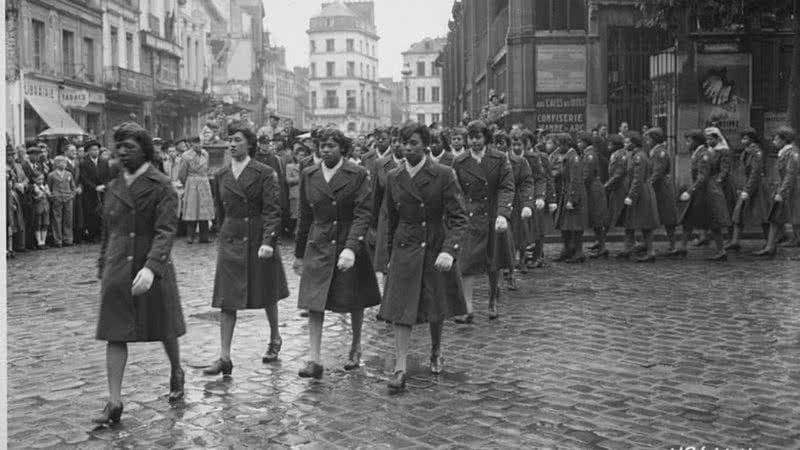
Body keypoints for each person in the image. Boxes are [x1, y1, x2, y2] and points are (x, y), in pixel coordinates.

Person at [93, 122, 186, 425]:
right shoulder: (113, 186)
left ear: (144, 150)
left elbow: (166, 230)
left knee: (164, 327)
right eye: (118, 146)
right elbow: (109, 230)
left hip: (151, 267)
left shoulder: (161, 185)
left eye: (129, 146)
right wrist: (103, 263)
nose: (121, 152)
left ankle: (176, 369)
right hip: (118, 268)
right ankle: (114, 401)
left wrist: (152, 267)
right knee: (114, 332)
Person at [379, 123, 469, 392]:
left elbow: (458, 217)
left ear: (426, 145)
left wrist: (449, 250)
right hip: (405, 247)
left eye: (414, 143)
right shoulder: (394, 177)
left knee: (435, 304)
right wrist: (388, 256)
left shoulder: (443, 174)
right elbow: (390, 219)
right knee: (400, 309)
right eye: (404, 143)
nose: (408, 148)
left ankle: (436, 348)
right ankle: (400, 367)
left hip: (433, 245)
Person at [203, 122, 290, 376]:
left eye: (237, 139)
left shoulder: (263, 172)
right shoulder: (221, 175)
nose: (232, 143)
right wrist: (223, 234)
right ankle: (224, 356)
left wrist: (268, 241)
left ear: (249, 144)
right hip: (231, 239)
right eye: (230, 139)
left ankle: (275, 338)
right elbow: (220, 211)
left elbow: (273, 209)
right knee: (226, 299)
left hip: (257, 238)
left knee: (266, 291)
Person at [293, 128, 381, 379]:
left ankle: (355, 346)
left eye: (331, 145)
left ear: (342, 148)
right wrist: (299, 253)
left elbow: (364, 213)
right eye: (322, 146)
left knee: (354, 298)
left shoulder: (358, 174)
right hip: (319, 243)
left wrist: (351, 248)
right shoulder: (309, 174)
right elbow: (305, 215)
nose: (326, 150)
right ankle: (314, 358)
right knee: (314, 301)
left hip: (348, 241)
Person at [451, 120, 514, 322]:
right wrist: (458, 214)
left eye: (478, 137)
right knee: (466, 262)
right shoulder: (460, 162)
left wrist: (503, 213)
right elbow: (456, 191)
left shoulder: (499, 158)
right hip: (470, 218)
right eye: (471, 137)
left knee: (493, 262)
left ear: (485, 138)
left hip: (493, 216)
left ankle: (492, 300)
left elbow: (506, 187)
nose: (474, 142)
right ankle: (467, 308)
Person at [677, 129, 731, 260]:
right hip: (700, 191)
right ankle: (682, 247)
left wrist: (690, 191)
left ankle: (721, 250)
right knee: (688, 219)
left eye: (689, 141)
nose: (687, 143)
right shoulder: (698, 153)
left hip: (707, 192)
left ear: (696, 141)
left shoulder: (704, 155)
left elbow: (703, 177)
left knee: (713, 222)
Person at [494, 130, 531, 289]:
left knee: (512, 239)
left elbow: (527, 182)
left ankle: (510, 273)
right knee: (497, 240)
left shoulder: (520, 162)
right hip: (495, 204)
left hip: (514, 204)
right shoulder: (491, 161)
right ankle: (496, 275)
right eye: (496, 143)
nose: (499, 146)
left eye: (502, 143)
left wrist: (527, 204)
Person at [755, 126, 800, 257]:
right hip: (786, 190)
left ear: (784, 140)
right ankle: (770, 246)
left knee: (795, 219)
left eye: (776, 138)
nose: (774, 141)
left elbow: (790, 175)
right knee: (776, 218)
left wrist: (781, 191)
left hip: (793, 190)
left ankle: (772, 246)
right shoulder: (784, 153)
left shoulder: (792, 154)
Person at [617, 132, 661, 262]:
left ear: (634, 143)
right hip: (638, 192)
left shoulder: (639, 157)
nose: (625, 145)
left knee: (645, 223)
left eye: (627, 142)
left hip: (641, 193)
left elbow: (638, 178)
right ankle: (628, 248)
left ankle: (650, 251)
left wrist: (631, 195)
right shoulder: (635, 155)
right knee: (630, 221)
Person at [727, 127, 770, 251]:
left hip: (757, 187)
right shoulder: (746, 152)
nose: (742, 140)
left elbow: (755, 172)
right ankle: (735, 241)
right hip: (747, 185)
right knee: (738, 212)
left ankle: (769, 242)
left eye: (745, 138)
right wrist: (741, 187)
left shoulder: (757, 152)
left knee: (763, 214)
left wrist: (747, 190)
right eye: (742, 138)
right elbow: (742, 171)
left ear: (752, 139)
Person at [644, 128, 680, 255]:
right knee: (651, 215)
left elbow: (658, 172)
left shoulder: (660, 152)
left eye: (648, 138)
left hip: (662, 188)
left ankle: (673, 245)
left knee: (668, 217)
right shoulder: (654, 151)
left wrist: (648, 185)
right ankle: (646, 244)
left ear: (654, 139)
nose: (646, 141)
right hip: (656, 186)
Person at [554, 133, 589, 263]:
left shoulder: (573, 158)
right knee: (566, 224)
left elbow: (575, 180)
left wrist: (572, 199)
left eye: (559, 145)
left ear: (566, 144)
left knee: (576, 225)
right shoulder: (568, 156)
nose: (558, 148)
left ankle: (578, 251)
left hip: (574, 194)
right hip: (566, 193)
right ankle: (568, 249)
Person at [178, 137, 214, 244]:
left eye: (200, 142)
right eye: (196, 143)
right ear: (191, 144)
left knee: (205, 210)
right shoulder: (186, 156)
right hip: (192, 182)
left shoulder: (205, 154)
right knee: (191, 210)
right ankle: (190, 236)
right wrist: (187, 183)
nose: (199, 145)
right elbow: (182, 173)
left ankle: (204, 236)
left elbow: (207, 167)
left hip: (204, 182)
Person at [579, 133, 610, 258]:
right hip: (591, 187)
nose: (578, 144)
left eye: (580, 141)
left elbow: (587, 174)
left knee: (597, 219)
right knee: (595, 219)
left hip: (593, 189)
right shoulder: (588, 153)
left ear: (586, 142)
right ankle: (600, 244)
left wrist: (581, 188)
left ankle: (602, 247)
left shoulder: (590, 155)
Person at [79, 140, 110, 243]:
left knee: (103, 212)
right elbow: (84, 178)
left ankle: (103, 234)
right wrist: (95, 187)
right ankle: (93, 235)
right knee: (91, 213)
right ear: (88, 151)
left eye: (97, 149)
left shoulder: (104, 162)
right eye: (93, 150)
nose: (95, 151)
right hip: (90, 193)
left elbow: (107, 175)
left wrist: (104, 185)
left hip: (103, 191)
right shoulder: (84, 163)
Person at [604, 134, 629, 245]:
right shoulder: (615, 154)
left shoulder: (621, 155)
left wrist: (606, 186)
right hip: (615, 186)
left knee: (621, 214)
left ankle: (628, 243)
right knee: (610, 213)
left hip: (620, 186)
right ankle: (601, 241)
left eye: (610, 144)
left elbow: (619, 173)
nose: (608, 146)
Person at [48, 155, 77, 248]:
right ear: (56, 164)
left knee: (68, 219)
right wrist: (53, 196)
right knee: (57, 219)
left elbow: (73, 186)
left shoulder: (69, 174)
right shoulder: (51, 175)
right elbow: (49, 187)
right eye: (61, 162)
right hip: (57, 198)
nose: (63, 164)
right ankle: (58, 240)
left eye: (64, 162)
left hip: (68, 198)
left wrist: (72, 195)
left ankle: (68, 239)